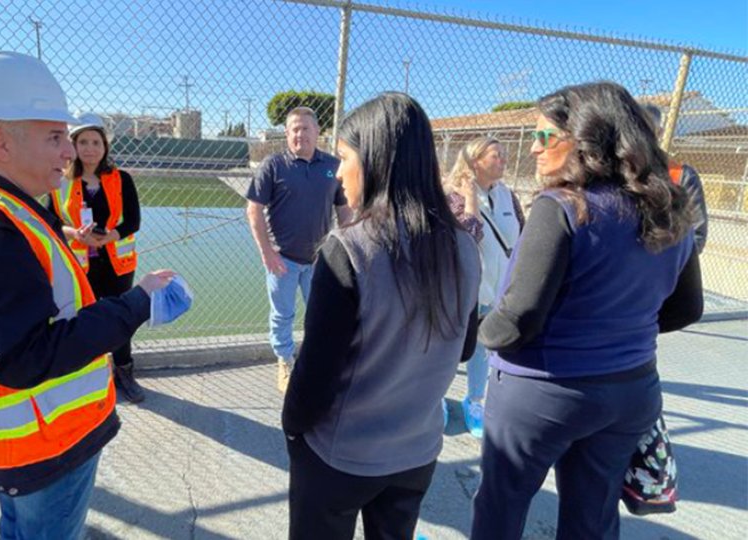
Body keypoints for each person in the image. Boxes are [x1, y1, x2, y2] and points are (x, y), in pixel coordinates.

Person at [0, 51, 175, 540]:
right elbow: (22, 357)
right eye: (55, 137)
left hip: (15, 441)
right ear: (0, 141)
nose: (69, 151)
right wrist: (137, 303)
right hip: (41, 444)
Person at [470, 82, 703, 540]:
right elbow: (687, 307)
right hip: (631, 389)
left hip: (545, 393)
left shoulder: (562, 206)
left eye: (544, 138)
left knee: (501, 506)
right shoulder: (669, 206)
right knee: (592, 518)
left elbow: (517, 319)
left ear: (585, 138)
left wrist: (479, 330)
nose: (534, 151)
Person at [282, 93, 481, 540]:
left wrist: (292, 429)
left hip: (342, 456)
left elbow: (317, 372)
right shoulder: (464, 246)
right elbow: (465, 345)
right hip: (417, 453)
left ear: (374, 161)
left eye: (345, 156)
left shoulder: (349, 249)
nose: (337, 170)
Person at [245, 107, 352, 393]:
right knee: (283, 314)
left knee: (321, 312)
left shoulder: (333, 166)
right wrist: (267, 252)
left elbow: (344, 210)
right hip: (283, 260)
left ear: (318, 132)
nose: (299, 134)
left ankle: (317, 361)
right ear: (287, 133)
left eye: (305, 128)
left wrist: (346, 248)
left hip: (321, 260)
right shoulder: (273, 165)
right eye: (294, 129)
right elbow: (254, 210)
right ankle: (285, 361)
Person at [49, 113, 145, 403]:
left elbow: (134, 221)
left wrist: (109, 237)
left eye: (96, 142)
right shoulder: (60, 181)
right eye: (83, 142)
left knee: (120, 318)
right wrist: (74, 234)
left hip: (116, 264)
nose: (90, 148)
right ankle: (86, 376)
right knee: (81, 319)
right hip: (80, 265)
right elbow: (50, 221)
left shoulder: (121, 179)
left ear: (105, 147)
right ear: (73, 145)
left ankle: (124, 372)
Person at [443, 137, 525, 437]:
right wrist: (471, 201)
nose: (504, 159)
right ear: (475, 160)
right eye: (496, 155)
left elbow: (522, 235)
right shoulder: (452, 196)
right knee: (450, 348)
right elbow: (467, 237)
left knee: (482, 347)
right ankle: (437, 398)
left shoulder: (508, 195)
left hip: (497, 290)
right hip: (461, 292)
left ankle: (475, 400)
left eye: (504, 154)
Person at [642, 102, 709, 253]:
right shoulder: (616, 171)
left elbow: (697, 235)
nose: (641, 135)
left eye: (647, 128)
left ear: (659, 132)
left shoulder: (682, 175)